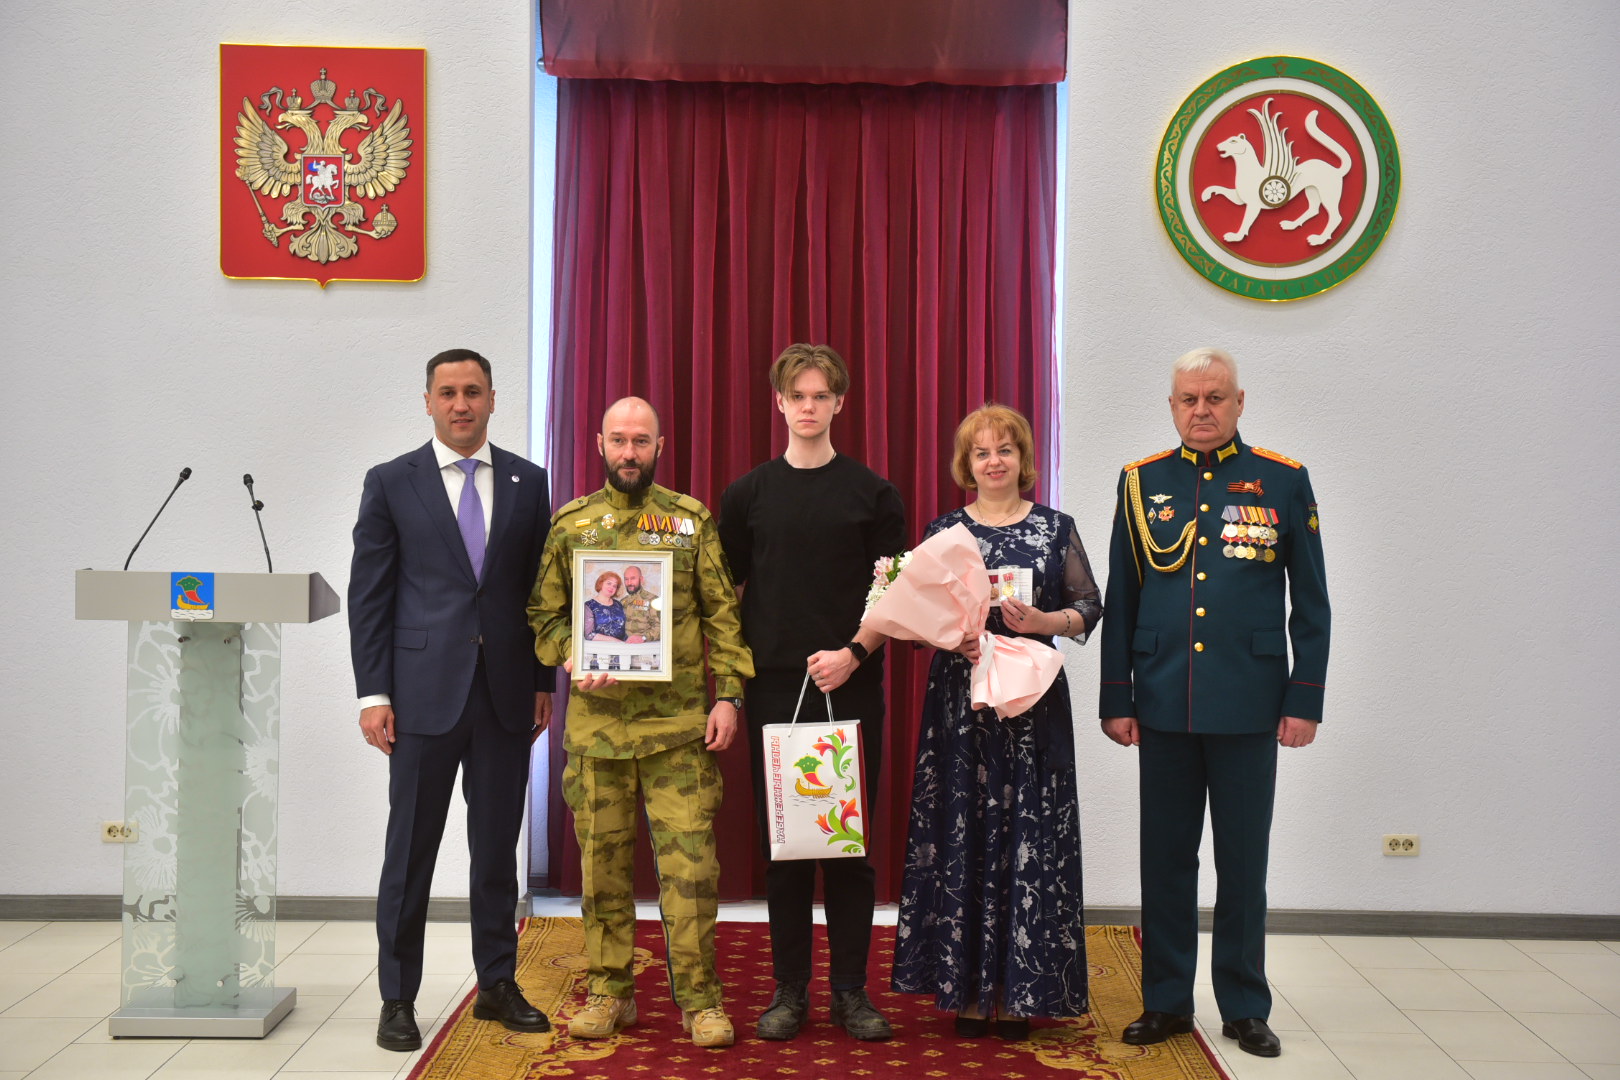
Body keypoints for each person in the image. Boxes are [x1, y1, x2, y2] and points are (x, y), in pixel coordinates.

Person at [1099, 347, 1329, 1060]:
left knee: (1243, 862)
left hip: (1250, 703)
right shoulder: (1142, 482)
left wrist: (1305, 699)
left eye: (1215, 397)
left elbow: (1311, 603)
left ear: (1239, 403)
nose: (1202, 410)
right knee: (1166, 860)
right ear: (1172, 406)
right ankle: (1167, 1001)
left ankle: (1245, 1005)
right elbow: (1122, 596)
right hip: (1163, 698)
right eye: (1189, 399)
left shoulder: (1283, 480)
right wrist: (1116, 696)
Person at [528, 396, 755, 1049]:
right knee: (602, 870)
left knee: (692, 870)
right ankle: (610, 992)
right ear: (600, 443)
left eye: (642, 441)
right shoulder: (572, 524)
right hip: (598, 733)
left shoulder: (688, 522)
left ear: (660, 446)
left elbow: (722, 615)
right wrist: (573, 655)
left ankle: (701, 1000)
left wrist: (728, 695)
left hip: (678, 729)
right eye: (619, 440)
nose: (630, 452)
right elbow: (544, 616)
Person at [348, 349, 555, 1052]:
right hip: (418, 699)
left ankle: (497, 984)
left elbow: (541, 593)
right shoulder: (391, 481)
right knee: (410, 853)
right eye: (448, 393)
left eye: (472, 391)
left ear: (492, 399)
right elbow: (369, 597)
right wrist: (373, 693)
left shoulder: (528, 481)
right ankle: (397, 997)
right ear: (429, 401)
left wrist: (542, 682)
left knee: (496, 851)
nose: (461, 404)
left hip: (504, 697)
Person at [891, 403, 1102, 1040]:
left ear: (1023, 458)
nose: (993, 461)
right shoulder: (944, 530)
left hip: (1031, 704)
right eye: (981, 452)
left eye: (1005, 450)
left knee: (1027, 833)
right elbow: (912, 615)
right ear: (967, 463)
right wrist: (947, 636)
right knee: (964, 827)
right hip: (962, 706)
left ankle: (1018, 991)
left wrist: (1044, 622)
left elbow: (1090, 606)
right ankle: (965, 990)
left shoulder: (1055, 529)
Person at [718, 343, 906, 1042]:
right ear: (779, 403)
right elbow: (725, 597)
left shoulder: (873, 494)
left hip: (850, 688)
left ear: (838, 403)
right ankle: (790, 990)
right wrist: (730, 687)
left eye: (819, 395)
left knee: (848, 850)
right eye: (796, 395)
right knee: (786, 849)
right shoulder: (747, 496)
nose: (807, 406)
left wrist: (854, 654)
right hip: (774, 693)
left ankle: (851, 992)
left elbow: (894, 594)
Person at [582, 570, 627, 669]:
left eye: (615, 586)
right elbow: (589, 635)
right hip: (600, 654)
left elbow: (624, 628)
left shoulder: (619, 604)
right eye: (609, 583)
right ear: (600, 584)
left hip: (621, 652)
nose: (611, 587)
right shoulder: (589, 605)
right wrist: (616, 641)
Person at [620, 564, 660, 670]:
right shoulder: (622, 602)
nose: (629, 582)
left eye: (633, 578)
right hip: (624, 655)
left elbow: (661, 627)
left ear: (641, 579)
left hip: (646, 655)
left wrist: (643, 638)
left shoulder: (653, 600)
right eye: (626, 579)